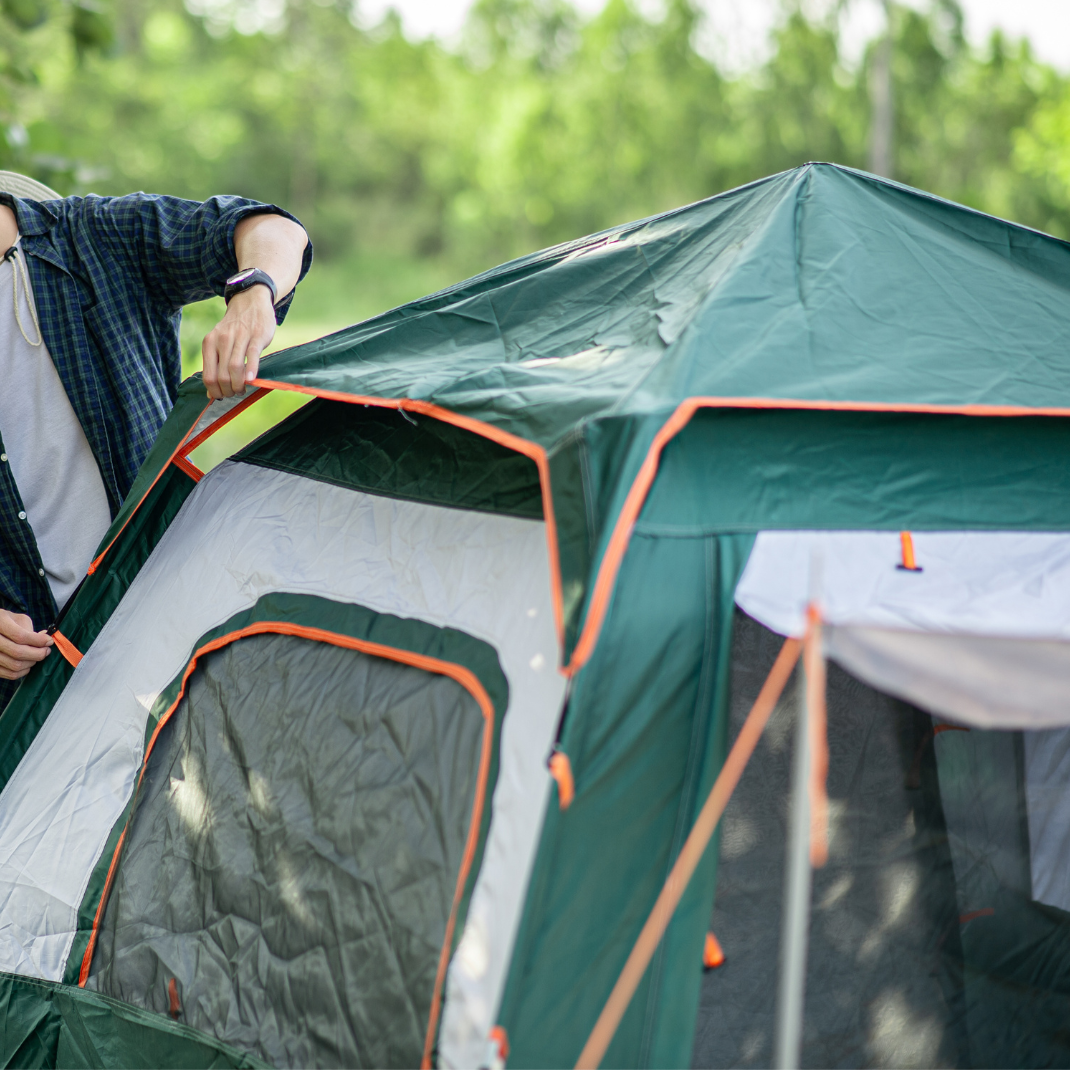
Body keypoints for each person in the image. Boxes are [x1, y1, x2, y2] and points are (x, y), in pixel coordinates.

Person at [0, 171, 311, 708]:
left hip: (168, 634)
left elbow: (273, 229)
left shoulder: (93, 239)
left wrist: (252, 291)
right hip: (27, 703)